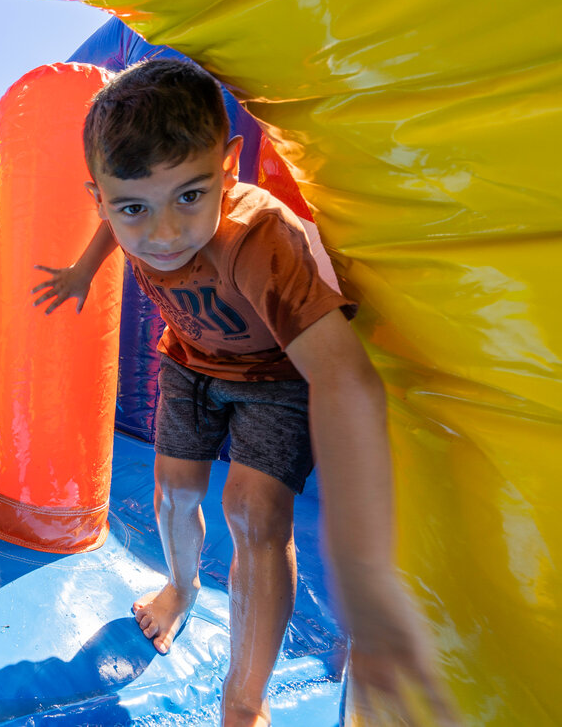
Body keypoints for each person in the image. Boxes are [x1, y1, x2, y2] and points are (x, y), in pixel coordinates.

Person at [31, 59, 457, 726]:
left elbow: (346, 381)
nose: (165, 234)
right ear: (104, 198)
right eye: (134, 207)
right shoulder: (134, 219)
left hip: (275, 373)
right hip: (191, 362)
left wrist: (365, 573)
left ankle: (244, 698)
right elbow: (120, 227)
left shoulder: (258, 241)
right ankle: (178, 587)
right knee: (173, 493)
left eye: (191, 197)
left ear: (228, 169)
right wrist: (84, 270)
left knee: (254, 512)